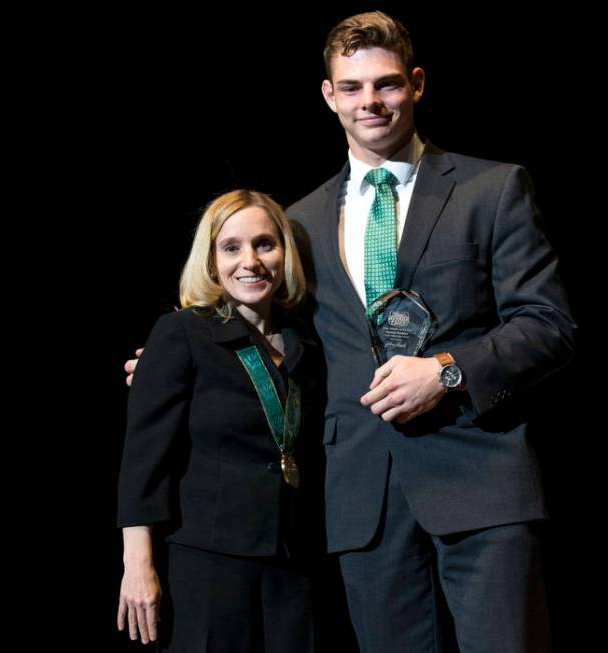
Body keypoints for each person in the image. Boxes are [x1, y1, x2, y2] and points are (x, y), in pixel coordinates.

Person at [128, 11, 575, 652]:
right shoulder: (302, 222)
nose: (372, 102)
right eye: (354, 87)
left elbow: (550, 324)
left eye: (388, 84)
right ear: (329, 95)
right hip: (365, 500)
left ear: (416, 84)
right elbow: (279, 334)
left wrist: (447, 370)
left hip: (482, 486)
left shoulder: (491, 188)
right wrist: (183, 358)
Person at [116, 189, 326, 652]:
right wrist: (138, 565)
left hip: (293, 563)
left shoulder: (308, 344)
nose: (250, 260)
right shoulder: (183, 333)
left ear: (285, 254)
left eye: (265, 244)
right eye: (231, 247)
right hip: (207, 563)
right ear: (211, 261)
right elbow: (144, 461)